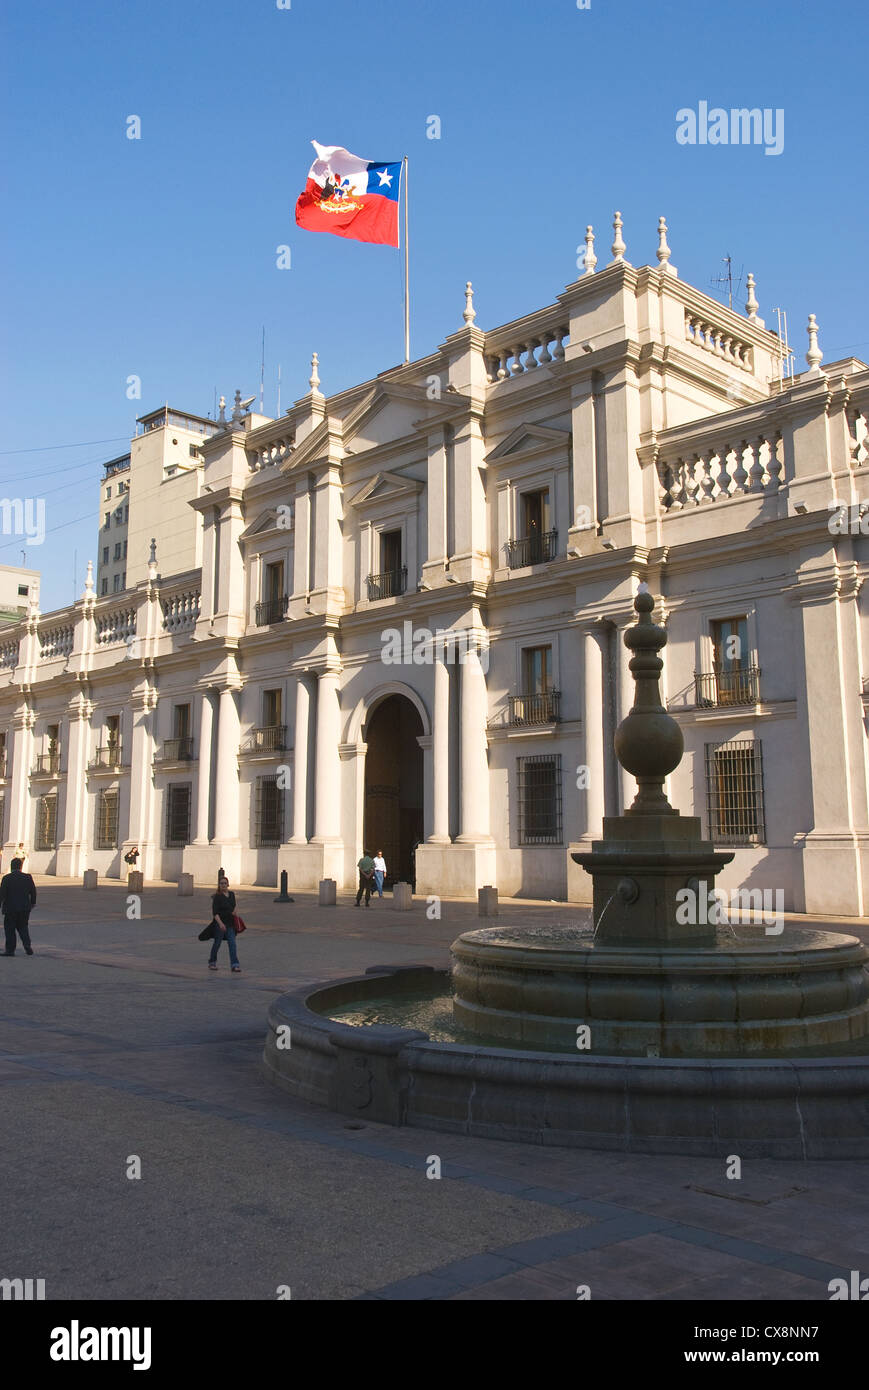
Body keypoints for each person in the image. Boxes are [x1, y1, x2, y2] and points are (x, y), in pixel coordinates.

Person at [0, 857, 37, 956]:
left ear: (11, 867)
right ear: (21, 867)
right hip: (24, 907)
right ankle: (27, 945)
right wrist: (33, 903)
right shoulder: (28, 877)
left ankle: (10, 950)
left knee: (10, 929)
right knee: (23, 927)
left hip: (10, 908)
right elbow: (33, 891)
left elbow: (2, 894)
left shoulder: (7, 878)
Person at [208, 875, 241, 973]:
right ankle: (212, 962)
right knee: (217, 943)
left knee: (232, 944)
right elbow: (215, 913)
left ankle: (235, 965)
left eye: (225, 883)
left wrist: (235, 912)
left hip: (230, 923)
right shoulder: (217, 897)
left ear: (228, 884)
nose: (223, 885)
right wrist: (220, 924)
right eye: (221, 883)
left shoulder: (231, 894)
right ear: (219, 885)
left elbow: (234, 906)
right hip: (220, 924)